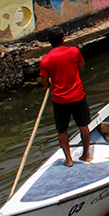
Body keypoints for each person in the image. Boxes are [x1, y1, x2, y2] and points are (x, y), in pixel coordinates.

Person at [40, 28, 92, 166]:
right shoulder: (74, 51)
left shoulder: (46, 60)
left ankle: (68, 159)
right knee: (83, 126)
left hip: (60, 100)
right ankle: (86, 155)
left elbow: (44, 83)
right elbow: (81, 67)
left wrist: (51, 81)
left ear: (48, 42)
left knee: (62, 130)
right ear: (63, 39)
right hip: (78, 96)